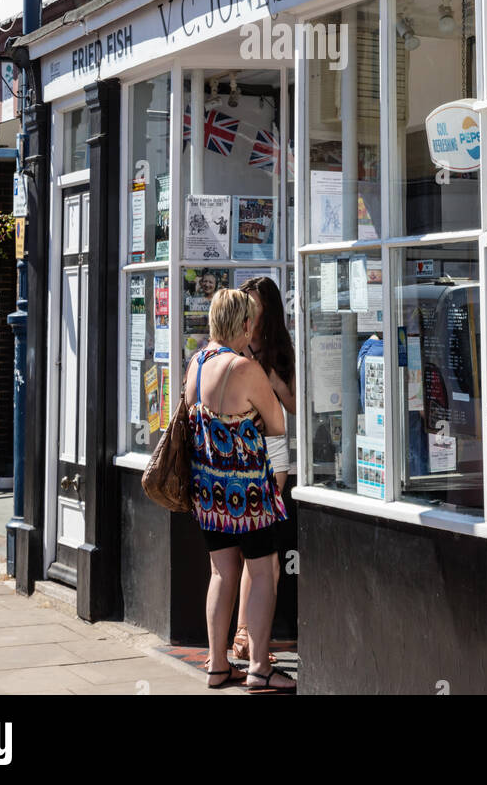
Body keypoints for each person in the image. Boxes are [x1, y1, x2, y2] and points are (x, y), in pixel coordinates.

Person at [185, 288, 296, 694]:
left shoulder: (196, 363)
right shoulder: (245, 369)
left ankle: (216, 666)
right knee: (264, 572)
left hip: (208, 492)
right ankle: (260, 667)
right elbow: (276, 429)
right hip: (248, 493)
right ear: (244, 324)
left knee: (221, 571)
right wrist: (279, 486)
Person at [231, 275, 297, 663]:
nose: (250, 316)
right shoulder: (234, 347)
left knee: (265, 558)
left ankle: (250, 639)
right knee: (254, 558)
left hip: (272, 457)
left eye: (255, 308)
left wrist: (265, 374)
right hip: (237, 457)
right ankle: (248, 639)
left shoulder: (279, 351)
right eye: (245, 307)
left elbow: (293, 406)